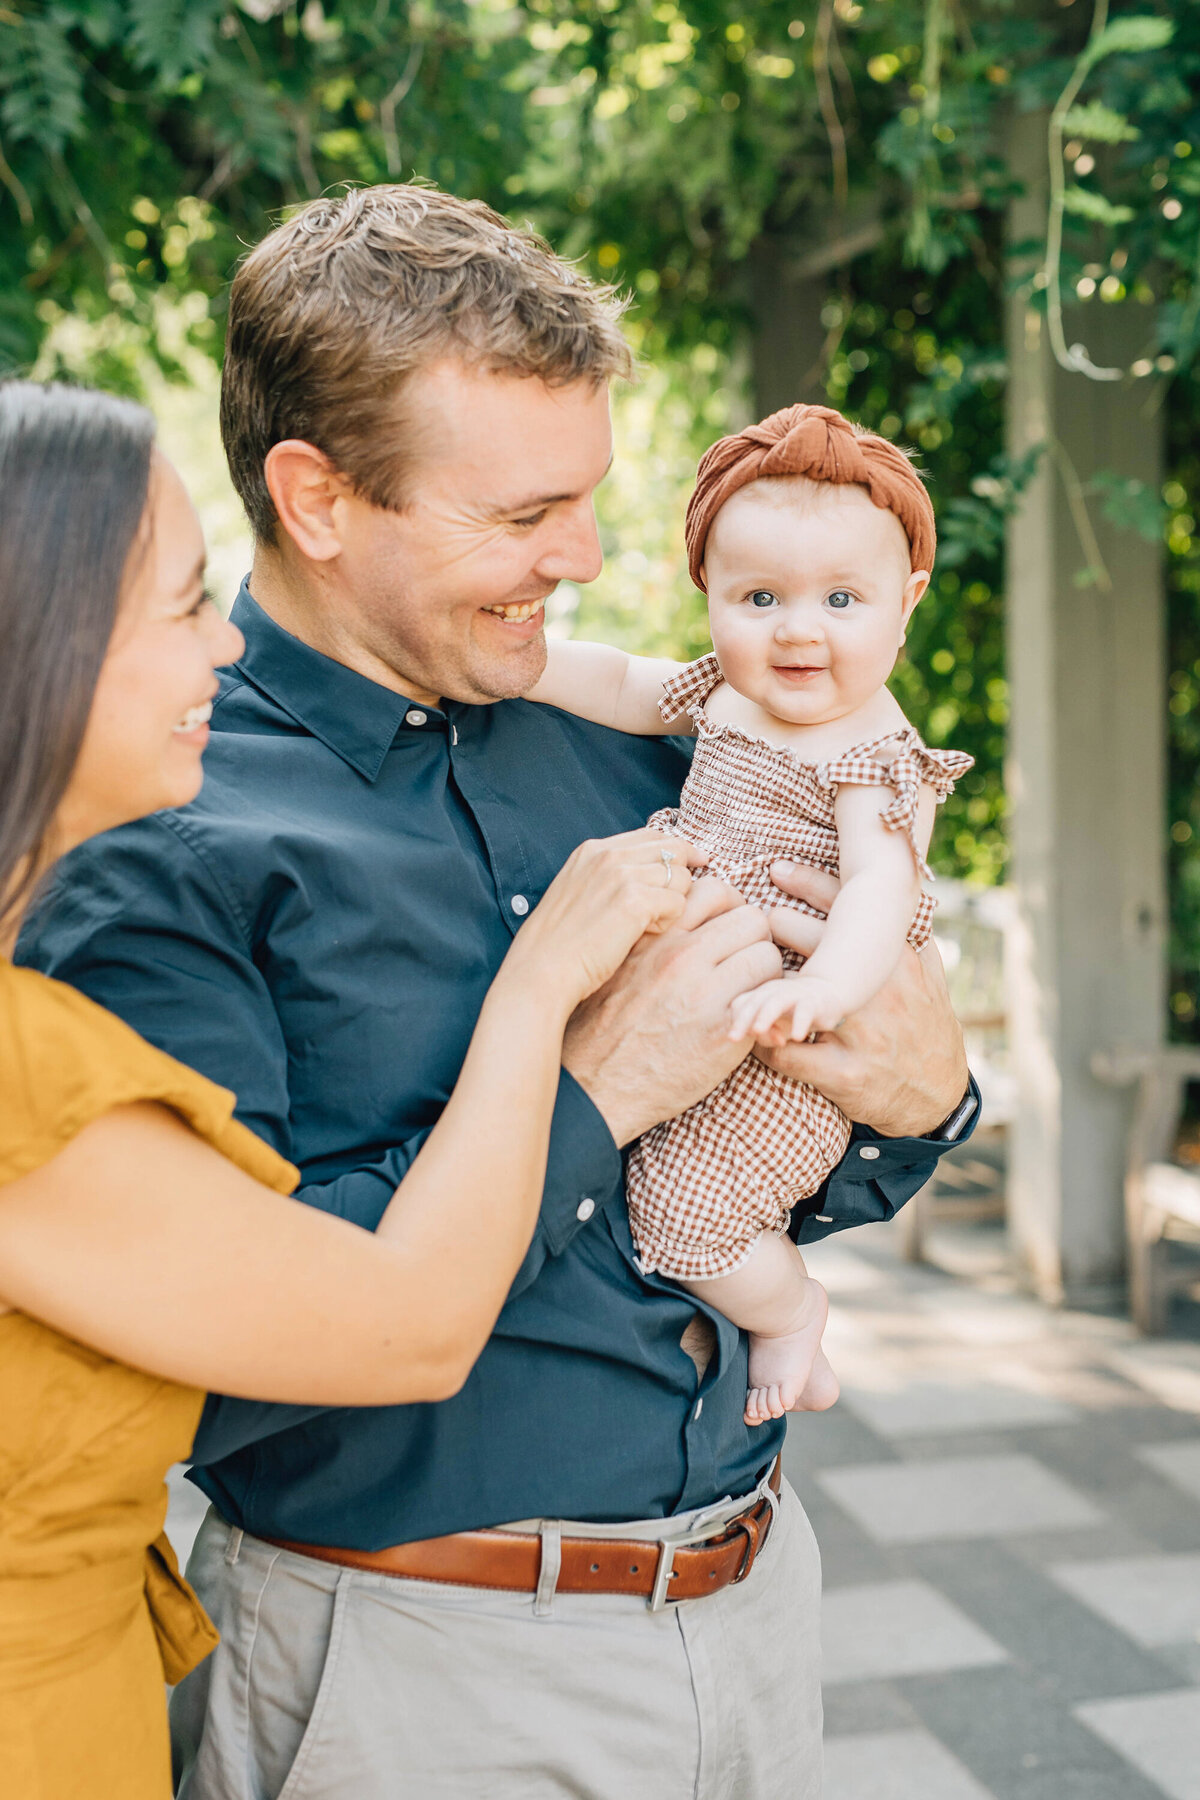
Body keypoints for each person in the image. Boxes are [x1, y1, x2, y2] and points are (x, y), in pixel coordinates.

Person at [20, 187, 978, 1800]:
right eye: (523, 513)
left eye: (590, 499)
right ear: (318, 499)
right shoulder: (157, 831)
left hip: (752, 1604)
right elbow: (220, 1363)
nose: (590, 558)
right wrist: (596, 1094)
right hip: (414, 1669)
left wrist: (917, 1094)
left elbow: (815, 1148)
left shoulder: (650, 743)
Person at [0, 379, 696, 1800]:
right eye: (186, 601)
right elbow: (403, 1327)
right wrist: (542, 1003)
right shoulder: (32, 1063)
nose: (223, 640)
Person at [526, 402, 973, 1426]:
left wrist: (823, 988)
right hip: (701, 999)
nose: (798, 629)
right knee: (641, 1176)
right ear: (712, 598)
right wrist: (537, 669)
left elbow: (878, 890)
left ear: (905, 605)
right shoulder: (728, 697)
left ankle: (789, 1314)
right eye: (760, 596)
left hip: (781, 1031)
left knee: (690, 1215)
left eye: (842, 599)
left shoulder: (870, 755)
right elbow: (627, 683)